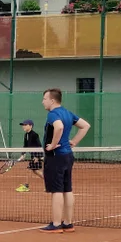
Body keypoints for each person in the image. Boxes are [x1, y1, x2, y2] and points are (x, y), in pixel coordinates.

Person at [40, 88, 90, 233]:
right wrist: (74, 141)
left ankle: (56, 224)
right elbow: (85, 126)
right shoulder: (68, 113)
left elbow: (59, 127)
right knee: (67, 189)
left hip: (56, 156)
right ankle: (68, 223)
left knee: (56, 190)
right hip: (68, 156)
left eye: (44, 99)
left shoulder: (53, 114)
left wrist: (53, 145)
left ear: (52, 100)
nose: (43, 101)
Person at [15, 119, 44, 193]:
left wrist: (37, 156)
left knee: (29, 170)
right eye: (23, 125)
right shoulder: (26, 135)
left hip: (37, 156)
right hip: (34, 156)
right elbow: (25, 146)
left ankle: (26, 186)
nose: (23, 126)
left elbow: (39, 146)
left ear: (30, 126)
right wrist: (23, 154)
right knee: (36, 171)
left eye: (25, 125)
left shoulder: (34, 135)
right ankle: (50, 184)